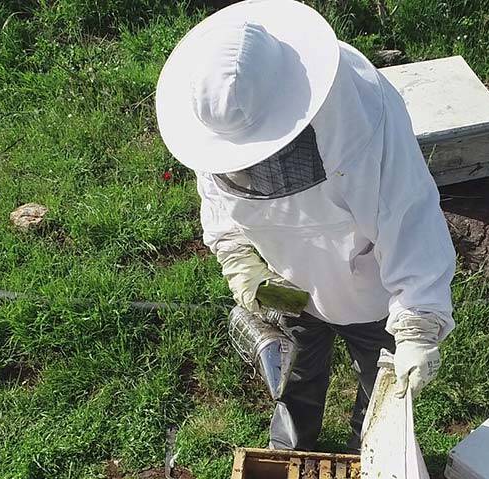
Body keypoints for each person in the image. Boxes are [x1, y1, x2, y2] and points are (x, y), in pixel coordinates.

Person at [155, 0, 455, 450]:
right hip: (291, 287)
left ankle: (367, 451)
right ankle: (291, 446)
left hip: (370, 291)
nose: (260, 165)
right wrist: (244, 267)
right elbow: (221, 212)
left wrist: (415, 328)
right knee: (296, 372)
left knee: (381, 385)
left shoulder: (362, 115)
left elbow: (410, 221)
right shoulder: (218, 124)